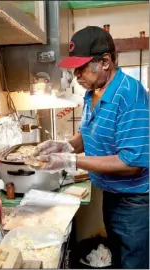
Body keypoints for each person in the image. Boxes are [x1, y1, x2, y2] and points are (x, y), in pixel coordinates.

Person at [32, 26, 149, 269]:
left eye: (81, 66)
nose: (76, 74)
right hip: (111, 195)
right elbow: (88, 134)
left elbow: (132, 163)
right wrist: (66, 145)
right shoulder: (92, 92)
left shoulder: (130, 94)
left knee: (133, 263)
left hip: (135, 202)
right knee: (117, 256)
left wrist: (71, 161)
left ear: (105, 61)